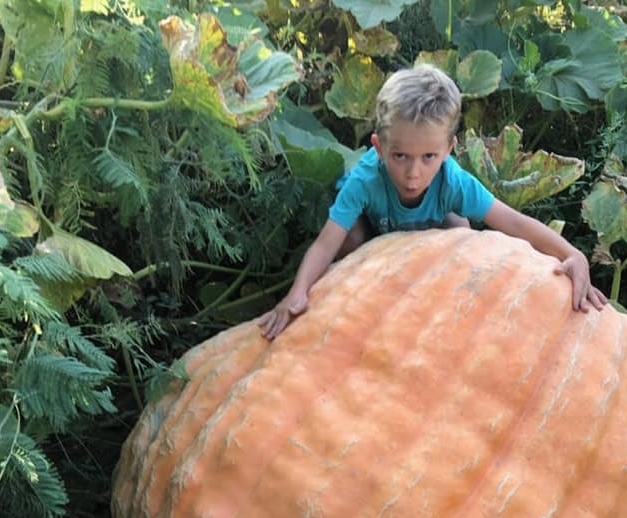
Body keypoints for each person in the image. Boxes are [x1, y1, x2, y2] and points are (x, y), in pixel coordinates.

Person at [259, 64, 607, 340]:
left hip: (431, 233)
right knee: (348, 238)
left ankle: (447, 300)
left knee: (464, 231)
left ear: (448, 150)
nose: (413, 173)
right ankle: (363, 293)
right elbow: (324, 244)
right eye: (399, 156)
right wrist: (297, 293)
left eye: (428, 156)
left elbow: (512, 221)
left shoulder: (452, 181)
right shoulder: (365, 180)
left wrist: (571, 254)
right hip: (374, 236)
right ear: (379, 148)